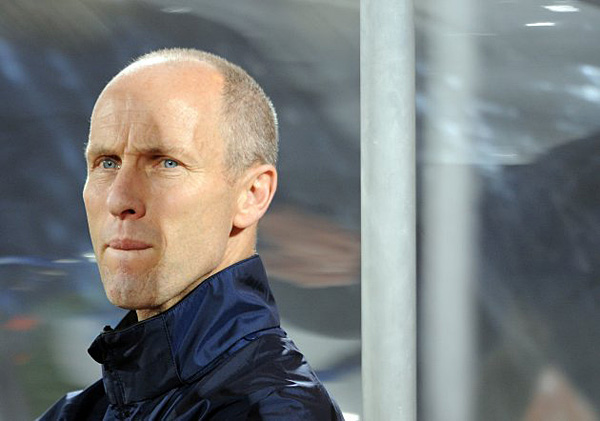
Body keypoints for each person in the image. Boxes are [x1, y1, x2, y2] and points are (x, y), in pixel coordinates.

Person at [39, 48, 343, 420]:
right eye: (107, 162)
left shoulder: (273, 411)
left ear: (251, 194)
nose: (119, 199)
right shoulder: (79, 412)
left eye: (166, 162)